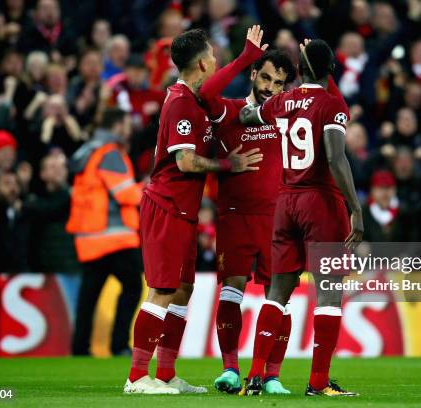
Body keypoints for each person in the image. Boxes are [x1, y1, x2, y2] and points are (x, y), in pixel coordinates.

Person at [124, 26, 265, 395]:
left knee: (184, 289)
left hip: (183, 210)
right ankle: (138, 377)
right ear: (202, 63)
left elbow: (213, 87)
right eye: (213, 57)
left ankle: (166, 373)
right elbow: (185, 162)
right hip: (166, 206)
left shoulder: (193, 97)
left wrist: (246, 58)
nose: (216, 63)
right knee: (162, 290)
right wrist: (227, 166)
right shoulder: (182, 103)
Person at [239, 39, 363, 396]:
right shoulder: (332, 104)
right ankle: (318, 383)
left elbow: (248, 115)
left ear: (300, 71)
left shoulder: (282, 100)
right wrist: (355, 208)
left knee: (278, 293)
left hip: (285, 203)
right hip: (319, 201)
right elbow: (337, 159)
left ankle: (255, 378)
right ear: (330, 72)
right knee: (328, 293)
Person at [198, 49, 296, 394]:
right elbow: (205, 93)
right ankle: (230, 369)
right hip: (235, 217)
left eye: (279, 83)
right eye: (266, 77)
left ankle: (272, 376)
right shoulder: (230, 110)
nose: (271, 87)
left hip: (278, 220)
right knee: (232, 287)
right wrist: (243, 58)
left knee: (278, 297)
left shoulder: (286, 118)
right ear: (254, 75)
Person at [66, 108, 143, 356]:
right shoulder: (110, 154)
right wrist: (149, 188)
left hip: (88, 239)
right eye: (126, 124)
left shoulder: (87, 151)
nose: (129, 130)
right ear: (118, 126)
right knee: (133, 287)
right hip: (115, 237)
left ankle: (80, 348)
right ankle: (119, 344)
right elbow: (126, 194)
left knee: (89, 296)